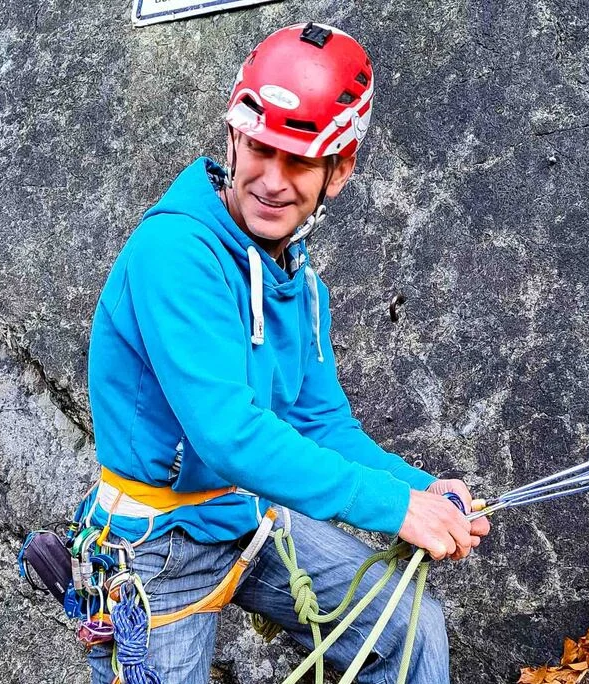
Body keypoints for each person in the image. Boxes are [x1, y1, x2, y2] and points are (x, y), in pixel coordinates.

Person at [83, 21, 491, 684]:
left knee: (405, 628)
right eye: (261, 150)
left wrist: (421, 491)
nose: (272, 180)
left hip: (243, 516)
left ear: (339, 170)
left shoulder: (297, 283)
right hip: (152, 551)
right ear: (234, 140)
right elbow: (228, 437)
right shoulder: (176, 255)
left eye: (298, 160)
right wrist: (394, 509)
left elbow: (318, 422)